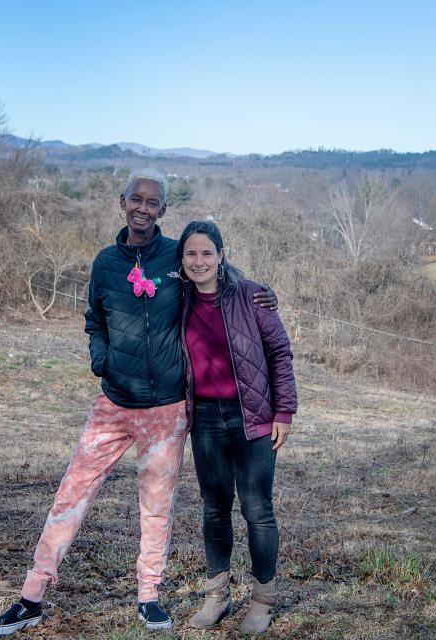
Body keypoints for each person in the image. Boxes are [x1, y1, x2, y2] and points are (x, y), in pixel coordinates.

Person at [0, 170, 276, 636]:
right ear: (123, 202)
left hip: (165, 412)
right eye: (136, 199)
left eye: (153, 201)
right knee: (70, 495)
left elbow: (214, 279)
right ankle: (31, 596)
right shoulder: (104, 263)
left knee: (156, 507)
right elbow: (94, 318)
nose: (143, 207)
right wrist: (102, 360)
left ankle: (149, 597)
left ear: (163, 209)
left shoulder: (176, 255)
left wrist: (260, 294)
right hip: (114, 404)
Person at [177, 219, 297, 635]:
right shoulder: (177, 300)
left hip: (254, 419)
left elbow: (280, 353)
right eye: (190, 253)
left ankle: (263, 600)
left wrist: (284, 413)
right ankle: (217, 596)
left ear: (221, 255)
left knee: (257, 510)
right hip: (206, 420)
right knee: (214, 509)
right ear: (182, 259)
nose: (199, 261)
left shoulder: (250, 296)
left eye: (207, 253)